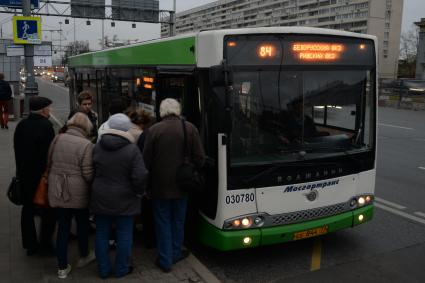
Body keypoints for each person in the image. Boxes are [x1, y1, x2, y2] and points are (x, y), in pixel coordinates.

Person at [143, 98, 205, 273]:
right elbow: (200, 158)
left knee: (162, 222)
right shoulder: (190, 128)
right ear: (178, 110)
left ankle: (165, 260)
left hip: (159, 187)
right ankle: (176, 252)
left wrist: (146, 187)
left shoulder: (153, 130)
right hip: (183, 184)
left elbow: (145, 162)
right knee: (178, 221)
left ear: (162, 112)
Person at [90, 114, 148, 278]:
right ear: (126, 128)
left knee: (101, 233)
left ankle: (103, 269)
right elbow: (140, 175)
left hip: (101, 196)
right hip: (126, 198)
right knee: (124, 234)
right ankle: (121, 269)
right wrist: (138, 191)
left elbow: (91, 170)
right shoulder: (132, 150)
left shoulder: (98, 146)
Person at [47, 113, 95, 279]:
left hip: (58, 188)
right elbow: (88, 173)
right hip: (78, 190)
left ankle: (62, 267)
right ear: (86, 127)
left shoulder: (58, 139)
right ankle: (84, 255)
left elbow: (49, 162)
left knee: (63, 227)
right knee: (82, 224)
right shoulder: (87, 144)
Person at [13, 96, 57, 256]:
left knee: (27, 210)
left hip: (24, 174)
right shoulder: (46, 126)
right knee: (48, 211)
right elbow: (49, 154)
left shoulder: (21, 125)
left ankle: (30, 245)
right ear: (44, 110)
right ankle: (46, 245)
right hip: (41, 177)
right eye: (49, 108)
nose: (50, 111)